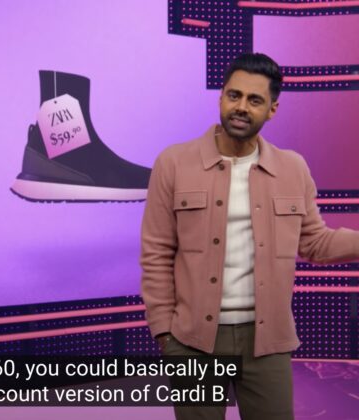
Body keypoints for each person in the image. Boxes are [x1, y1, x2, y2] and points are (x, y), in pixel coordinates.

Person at [140, 52, 359, 420]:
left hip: (268, 342)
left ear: (272, 109)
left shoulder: (293, 168)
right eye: (234, 95)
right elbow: (157, 253)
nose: (241, 107)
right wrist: (165, 334)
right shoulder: (173, 163)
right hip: (193, 342)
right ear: (221, 97)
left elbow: (315, 242)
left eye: (254, 100)